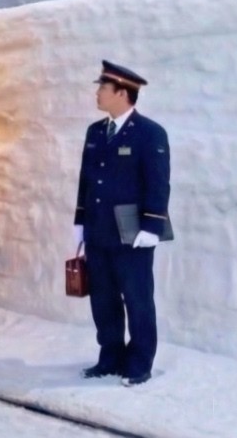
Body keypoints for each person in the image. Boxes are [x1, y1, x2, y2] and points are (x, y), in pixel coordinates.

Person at [73, 60, 171, 387]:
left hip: (133, 234)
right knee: (104, 300)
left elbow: (158, 184)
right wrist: (80, 222)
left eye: (102, 88)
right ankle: (110, 357)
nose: (97, 93)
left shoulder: (150, 133)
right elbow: (86, 181)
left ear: (122, 93)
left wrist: (152, 227)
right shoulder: (96, 132)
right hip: (99, 232)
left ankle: (140, 362)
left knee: (137, 299)